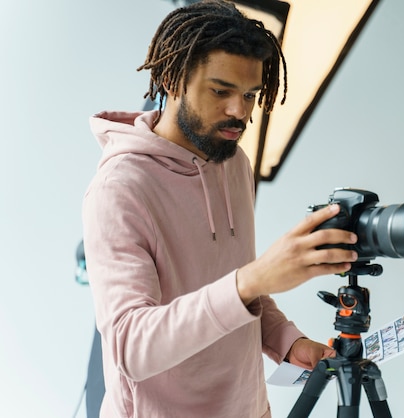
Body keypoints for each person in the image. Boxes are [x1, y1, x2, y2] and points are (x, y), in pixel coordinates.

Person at [81, 1, 359, 417]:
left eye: (249, 94)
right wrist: (250, 280)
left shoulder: (233, 162)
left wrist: (286, 340)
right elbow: (130, 347)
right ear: (173, 79)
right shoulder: (120, 188)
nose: (240, 111)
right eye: (221, 91)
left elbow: (235, 281)